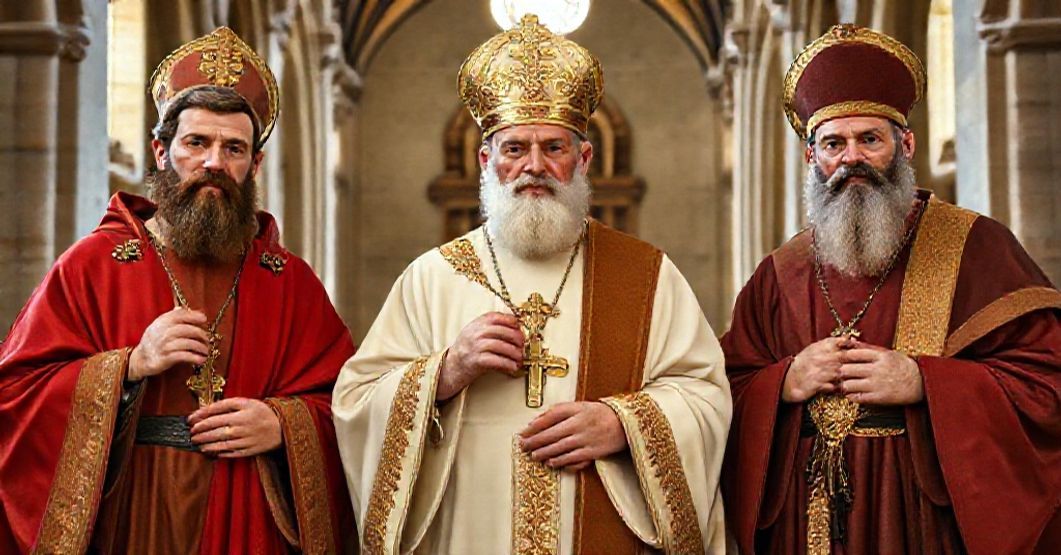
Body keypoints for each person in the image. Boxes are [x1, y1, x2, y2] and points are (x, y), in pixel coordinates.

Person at [332, 14, 731, 554]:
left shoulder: (646, 274)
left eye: (554, 148)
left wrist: (624, 424)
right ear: (486, 161)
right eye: (515, 148)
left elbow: (705, 395)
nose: (533, 166)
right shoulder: (432, 276)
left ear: (584, 158)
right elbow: (356, 402)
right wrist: (444, 373)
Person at [0, 27, 355, 554]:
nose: (214, 161)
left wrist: (283, 424)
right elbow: (17, 395)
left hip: (246, 505)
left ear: (253, 165)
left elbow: (350, 404)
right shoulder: (93, 265)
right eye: (197, 143)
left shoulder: (289, 281)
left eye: (233, 147)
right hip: (131, 509)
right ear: (161, 151)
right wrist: (128, 365)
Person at [721, 24, 1061, 555]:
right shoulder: (780, 272)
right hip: (802, 522)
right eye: (834, 143)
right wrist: (784, 381)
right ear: (812, 158)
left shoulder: (975, 246)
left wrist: (927, 381)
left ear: (905, 145)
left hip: (923, 521)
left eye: (870, 140)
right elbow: (723, 388)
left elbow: (1046, 385)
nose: (851, 158)